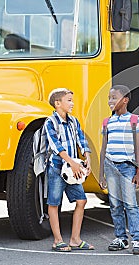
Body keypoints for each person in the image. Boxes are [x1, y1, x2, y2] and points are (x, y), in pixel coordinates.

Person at [98, 85, 139, 255]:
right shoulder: (107, 122)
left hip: (127, 167)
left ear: (125, 100)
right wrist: (101, 172)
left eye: (113, 97)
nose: (110, 101)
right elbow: (103, 148)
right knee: (115, 204)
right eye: (109, 98)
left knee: (131, 204)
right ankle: (120, 238)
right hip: (110, 166)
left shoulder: (134, 120)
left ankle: (138, 239)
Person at [45, 88, 93, 252]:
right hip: (58, 169)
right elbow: (56, 146)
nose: (72, 103)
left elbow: (81, 139)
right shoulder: (50, 122)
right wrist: (71, 162)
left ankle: (75, 239)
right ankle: (57, 241)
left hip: (73, 170)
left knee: (81, 201)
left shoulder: (74, 121)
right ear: (58, 103)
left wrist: (87, 157)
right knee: (54, 203)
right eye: (69, 100)